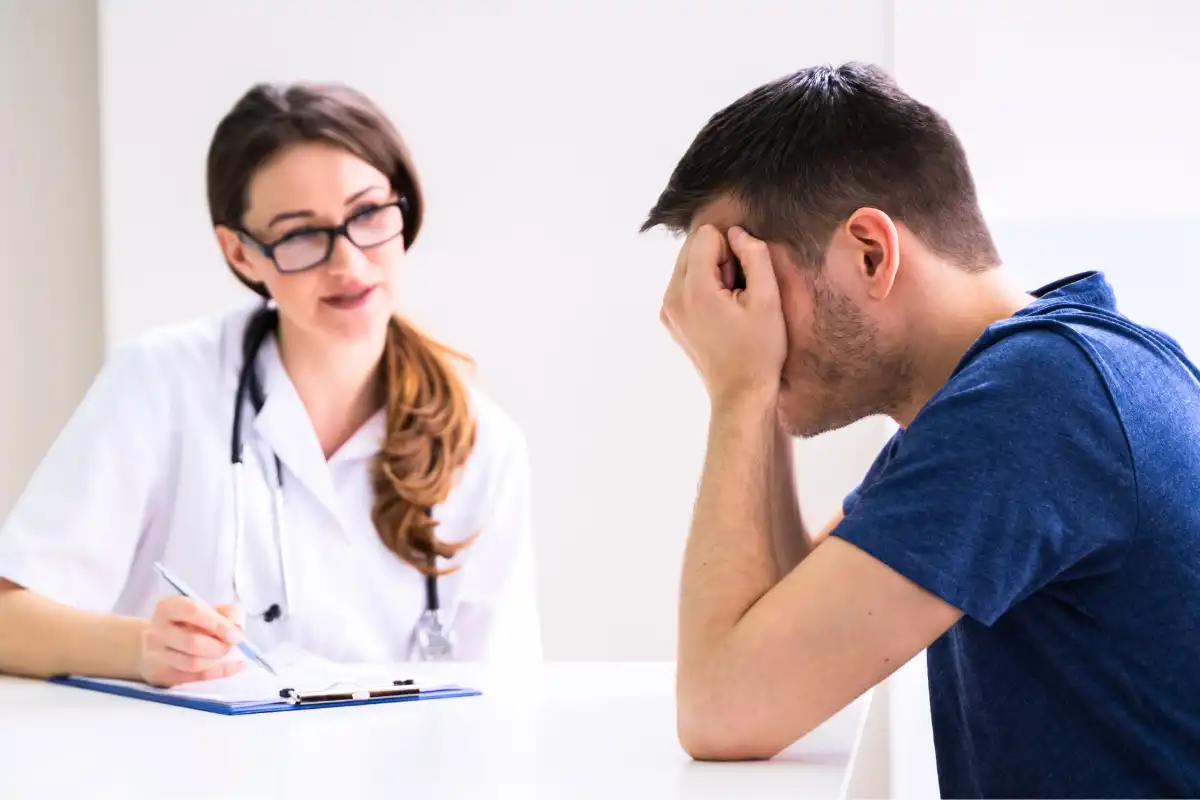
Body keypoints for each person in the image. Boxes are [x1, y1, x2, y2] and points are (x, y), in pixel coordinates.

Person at [643, 62, 1200, 798]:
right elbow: (781, 636)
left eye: (750, 284)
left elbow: (722, 709)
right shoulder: (1043, 376)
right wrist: (757, 390)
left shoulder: (1036, 402)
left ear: (870, 252)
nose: (748, 323)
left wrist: (739, 388)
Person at [0, 82, 541, 688]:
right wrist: (141, 648)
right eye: (299, 234)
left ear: (402, 206)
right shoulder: (162, 382)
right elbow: (7, 619)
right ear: (241, 254)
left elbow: (504, 693)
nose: (348, 263)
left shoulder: (485, 443)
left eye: (367, 214)